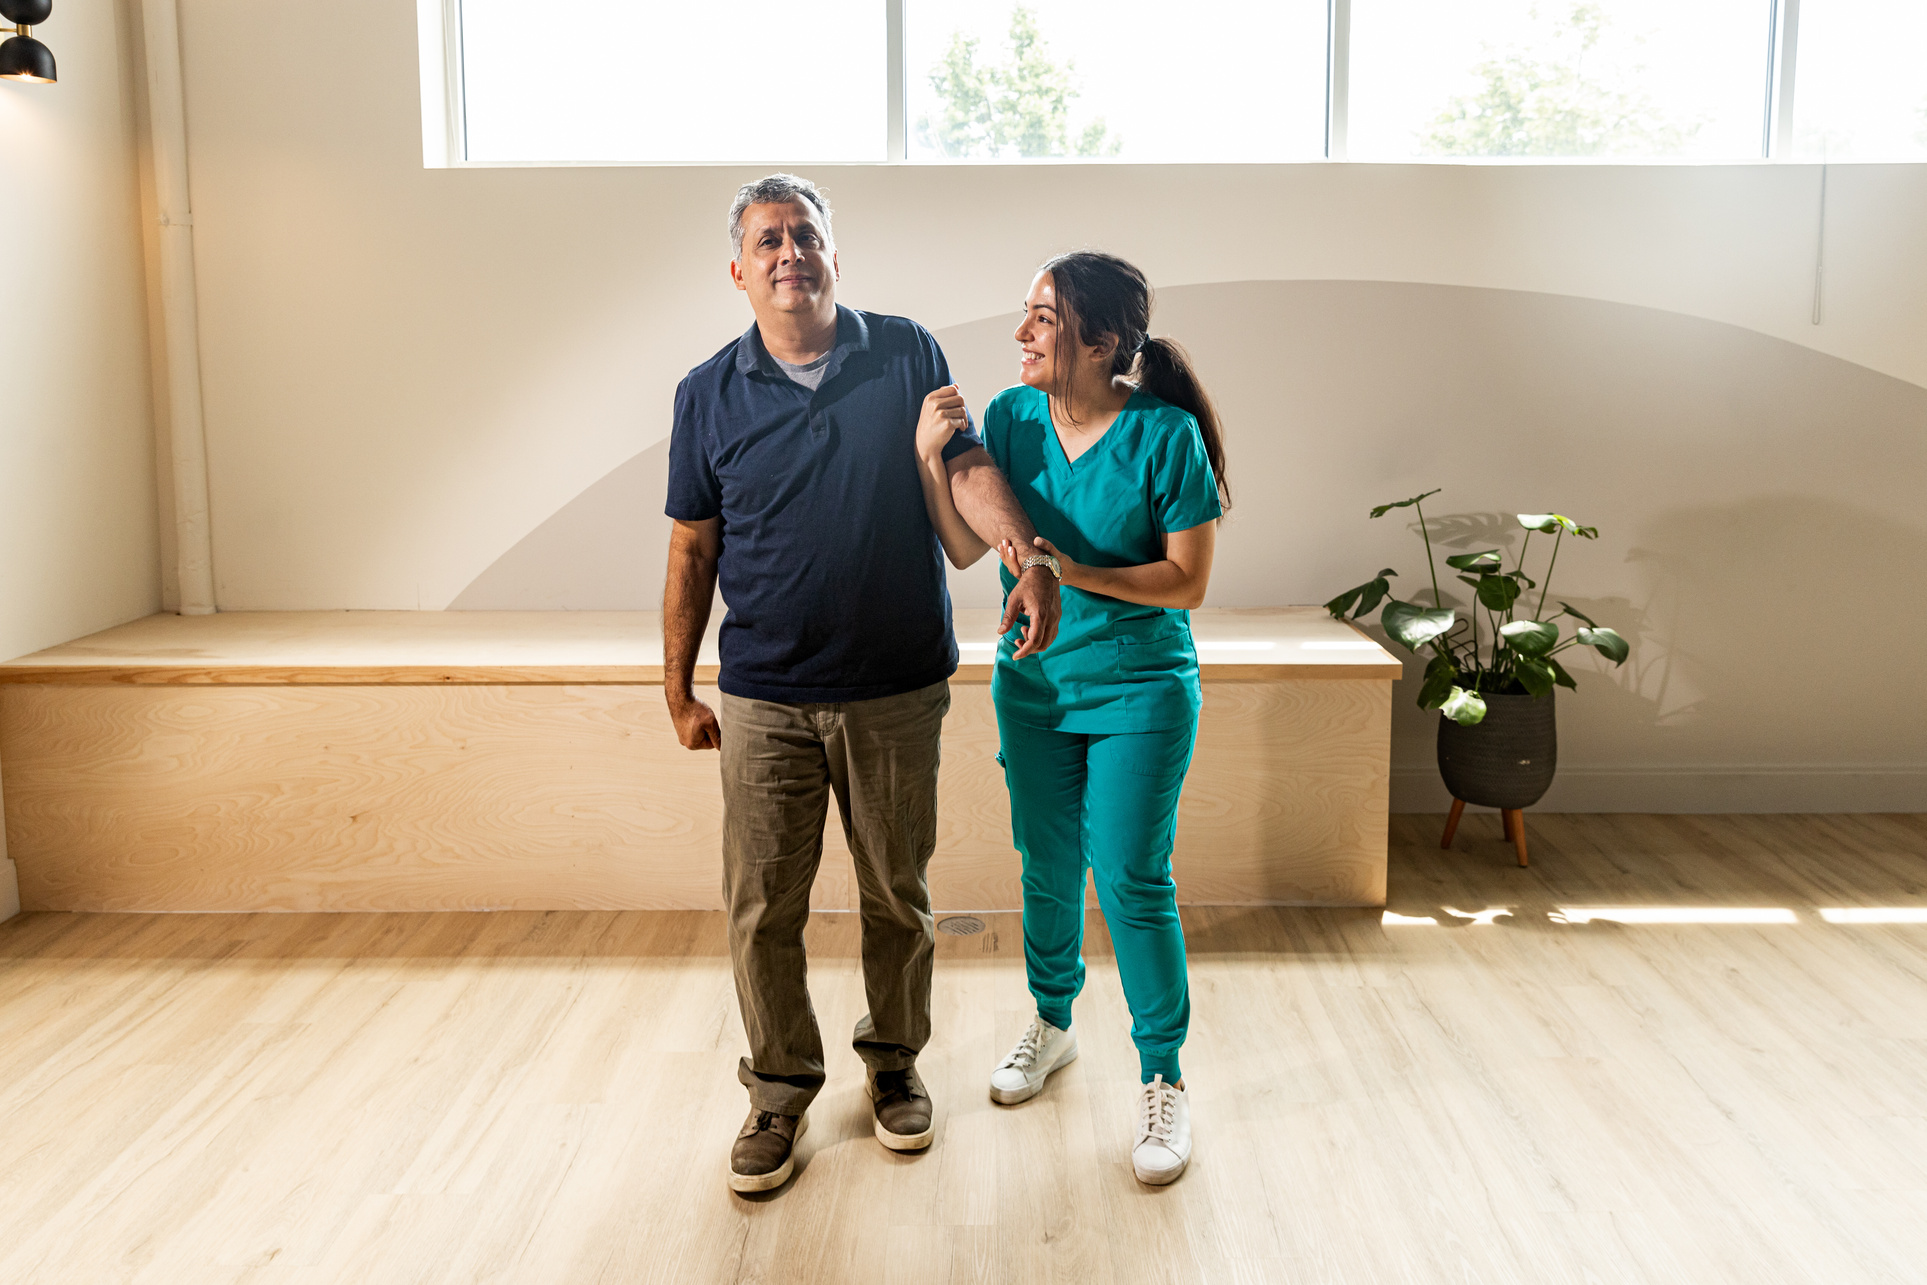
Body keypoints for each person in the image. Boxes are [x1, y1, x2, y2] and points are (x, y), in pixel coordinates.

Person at [663, 174, 1062, 1195]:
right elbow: (692, 549)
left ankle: (893, 1066)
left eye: (806, 234)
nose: (789, 250)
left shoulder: (904, 351)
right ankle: (779, 1089)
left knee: (898, 895)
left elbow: (964, 467)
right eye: (769, 239)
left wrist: (1026, 554)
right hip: (761, 693)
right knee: (762, 907)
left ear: (836, 256)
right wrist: (677, 686)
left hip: (893, 686)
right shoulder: (705, 392)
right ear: (740, 270)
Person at [912, 250, 1230, 1186]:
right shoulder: (1011, 419)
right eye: (1026, 315)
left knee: (1132, 875)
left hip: (1140, 687)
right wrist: (934, 462)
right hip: (1035, 684)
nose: (1021, 335)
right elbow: (968, 550)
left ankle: (1163, 1077)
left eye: (1043, 320)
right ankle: (1052, 1023)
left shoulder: (1166, 436)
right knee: (1046, 866)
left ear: (1102, 341)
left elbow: (1188, 583)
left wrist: (1060, 567)